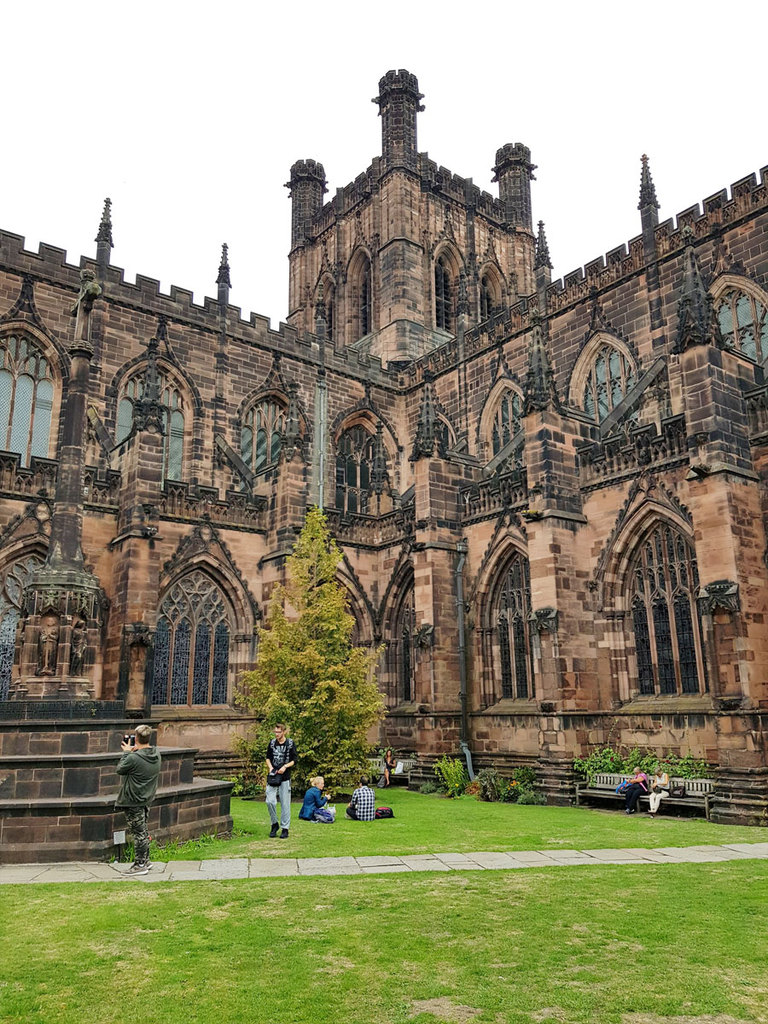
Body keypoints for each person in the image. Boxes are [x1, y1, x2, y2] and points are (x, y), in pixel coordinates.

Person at [115, 724, 161, 875]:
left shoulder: (133, 758)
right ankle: (145, 860)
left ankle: (140, 864)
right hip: (145, 797)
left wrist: (127, 753)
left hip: (133, 799)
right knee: (143, 829)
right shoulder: (155, 754)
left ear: (136, 737)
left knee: (138, 833)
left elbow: (120, 769)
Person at [265, 723, 297, 839]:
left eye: (278, 732)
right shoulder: (272, 743)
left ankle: (285, 828)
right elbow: (268, 758)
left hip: (285, 777)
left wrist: (285, 766)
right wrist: (271, 768)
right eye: (275, 732)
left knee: (285, 804)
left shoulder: (290, 744)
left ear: (284, 732)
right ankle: (274, 823)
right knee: (270, 801)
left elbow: (294, 760)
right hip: (273, 776)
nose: (276, 734)